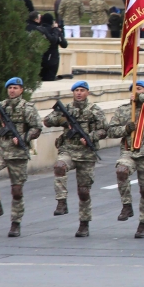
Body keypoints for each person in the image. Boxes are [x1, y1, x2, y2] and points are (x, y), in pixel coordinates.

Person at [0, 77, 42, 237]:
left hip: (18, 153)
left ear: (21, 90)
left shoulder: (28, 108)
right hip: (1, 150)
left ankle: (15, 223)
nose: (12, 90)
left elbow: (37, 128)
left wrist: (24, 137)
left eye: (16, 88)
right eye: (10, 87)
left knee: (17, 191)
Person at [43, 81, 108, 237]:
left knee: (84, 191)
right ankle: (61, 201)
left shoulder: (94, 110)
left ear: (87, 92)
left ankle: (84, 223)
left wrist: (91, 137)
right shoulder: (66, 109)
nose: (79, 93)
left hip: (86, 154)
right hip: (68, 150)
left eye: (82, 90)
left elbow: (104, 130)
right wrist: (62, 121)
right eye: (76, 90)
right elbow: (47, 121)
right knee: (59, 166)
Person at [107, 80, 144, 238]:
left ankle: (143, 223)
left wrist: (143, 98)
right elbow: (110, 131)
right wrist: (125, 129)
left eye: (140, 89)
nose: (137, 92)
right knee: (121, 171)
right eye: (134, 89)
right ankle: (126, 205)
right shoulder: (123, 110)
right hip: (129, 151)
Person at [37, 13, 66, 81]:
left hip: (39, 59)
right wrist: (57, 31)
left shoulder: (38, 29)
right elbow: (64, 44)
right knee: (49, 79)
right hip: (52, 59)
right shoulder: (54, 30)